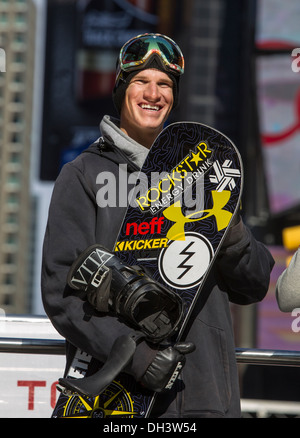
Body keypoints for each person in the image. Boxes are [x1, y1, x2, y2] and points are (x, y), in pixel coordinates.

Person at [41, 33, 274, 418]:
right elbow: (61, 290)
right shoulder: (84, 174)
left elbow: (255, 284)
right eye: (141, 82)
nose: (153, 93)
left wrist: (231, 233)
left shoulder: (202, 177)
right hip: (123, 398)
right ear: (121, 90)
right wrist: (136, 355)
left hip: (205, 396)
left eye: (164, 84)